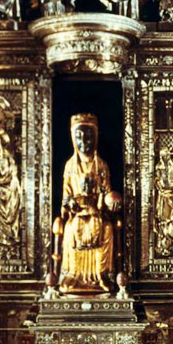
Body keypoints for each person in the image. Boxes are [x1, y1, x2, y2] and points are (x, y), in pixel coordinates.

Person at [55, 113, 121, 293]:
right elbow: (66, 196)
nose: (84, 142)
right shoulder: (70, 166)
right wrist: (70, 204)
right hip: (77, 213)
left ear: (96, 138)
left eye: (89, 137)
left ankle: (101, 275)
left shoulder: (102, 166)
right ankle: (73, 275)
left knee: (107, 229)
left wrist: (110, 200)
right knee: (70, 229)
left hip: (96, 212)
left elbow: (107, 194)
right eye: (79, 137)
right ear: (73, 139)